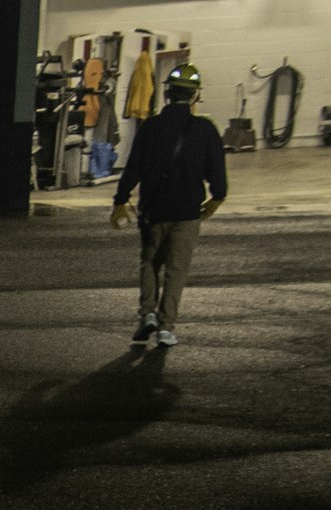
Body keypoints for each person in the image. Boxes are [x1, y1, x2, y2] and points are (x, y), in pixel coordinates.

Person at [110, 63, 226, 349]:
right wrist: (216, 198)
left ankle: (147, 313)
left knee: (150, 262)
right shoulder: (205, 130)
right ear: (194, 96)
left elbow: (133, 168)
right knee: (177, 269)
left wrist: (120, 200)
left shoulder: (151, 127)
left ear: (166, 94)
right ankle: (166, 327)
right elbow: (217, 175)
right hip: (187, 211)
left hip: (153, 209)